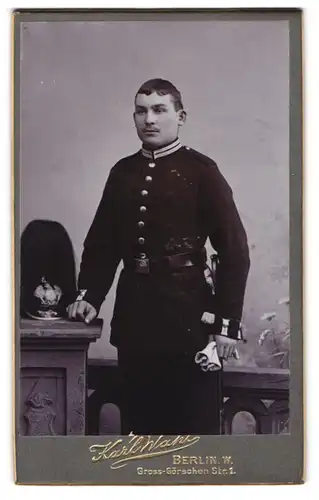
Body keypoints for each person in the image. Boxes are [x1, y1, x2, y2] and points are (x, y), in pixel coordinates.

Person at [67, 78, 250, 435]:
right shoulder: (122, 173)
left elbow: (234, 250)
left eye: (159, 110)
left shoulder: (202, 171)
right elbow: (102, 244)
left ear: (180, 116)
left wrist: (226, 324)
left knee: (192, 433)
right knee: (140, 430)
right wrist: (89, 296)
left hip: (191, 322)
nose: (148, 119)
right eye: (141, 110)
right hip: (135, 321)